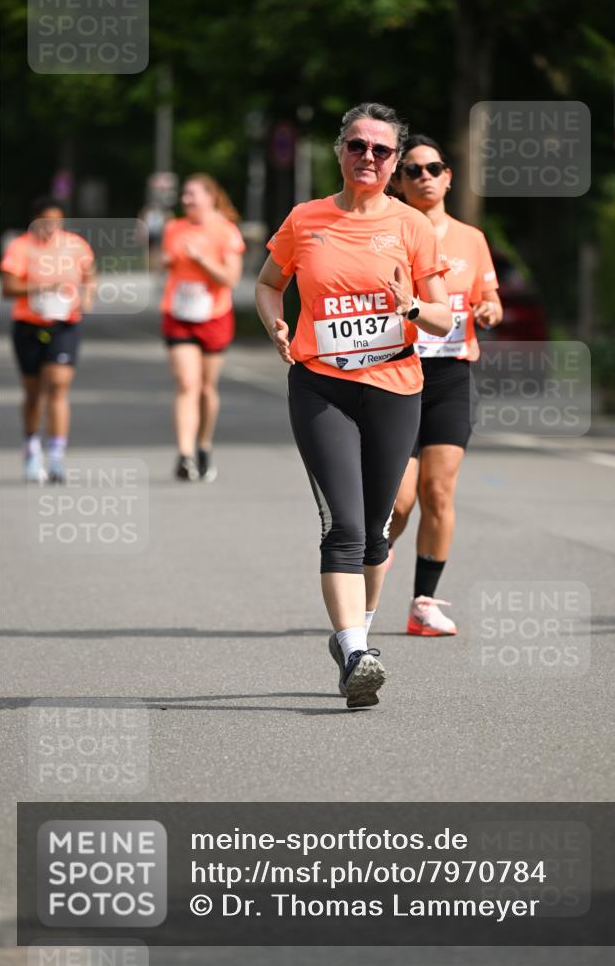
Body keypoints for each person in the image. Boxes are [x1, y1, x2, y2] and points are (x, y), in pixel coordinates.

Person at [255, 103, 452, 709]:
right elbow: (269, 283)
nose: (368, 158)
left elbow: (442, 319)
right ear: (340, 150)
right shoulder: (305, 218)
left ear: (394, 163)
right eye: (357, 146)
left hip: (395, 388)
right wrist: (275, 325)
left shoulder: (412, 226)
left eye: (382, 151)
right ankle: (355, 649)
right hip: (322, 385)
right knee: (341, 525)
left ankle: (357, 641)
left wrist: (410, 307)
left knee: (375, 528)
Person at [388, 135, 503, 635]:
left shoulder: (471, 238)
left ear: (449, 175)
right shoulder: (389, 234)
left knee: (438, 491)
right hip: (398, 371)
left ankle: (424, 604)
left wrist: (489, 309)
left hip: (452, 374)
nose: (425, 176)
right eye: (413, 170)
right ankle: (375, 550)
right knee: (400, 501)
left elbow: (490, 298)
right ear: (399, 182)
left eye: (433, 167)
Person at [0, 196, 96, 483]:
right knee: (33, 393)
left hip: (64, 324)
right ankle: (31, 448)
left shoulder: (76, 245)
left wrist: (86, 299)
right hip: (28, 326)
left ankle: (56, 455)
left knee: (57, 385)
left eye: (56, 220)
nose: (51, 227)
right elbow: (7, 288)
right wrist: (41, 287)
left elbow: (90, 275)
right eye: (45, 220)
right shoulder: (20, 247)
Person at [160, 173, 245, 481]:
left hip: (214, 315)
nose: (186, 200)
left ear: (210, 197)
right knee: (187, 384)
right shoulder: (174, 228)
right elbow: (164, 262)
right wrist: (167, 261)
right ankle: (184, 455)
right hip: (178, 313)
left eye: (192, 194)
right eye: (184, 194)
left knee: (207, 389)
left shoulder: (225, 231)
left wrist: (201, 260)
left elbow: (230, 279)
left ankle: (203, 445)